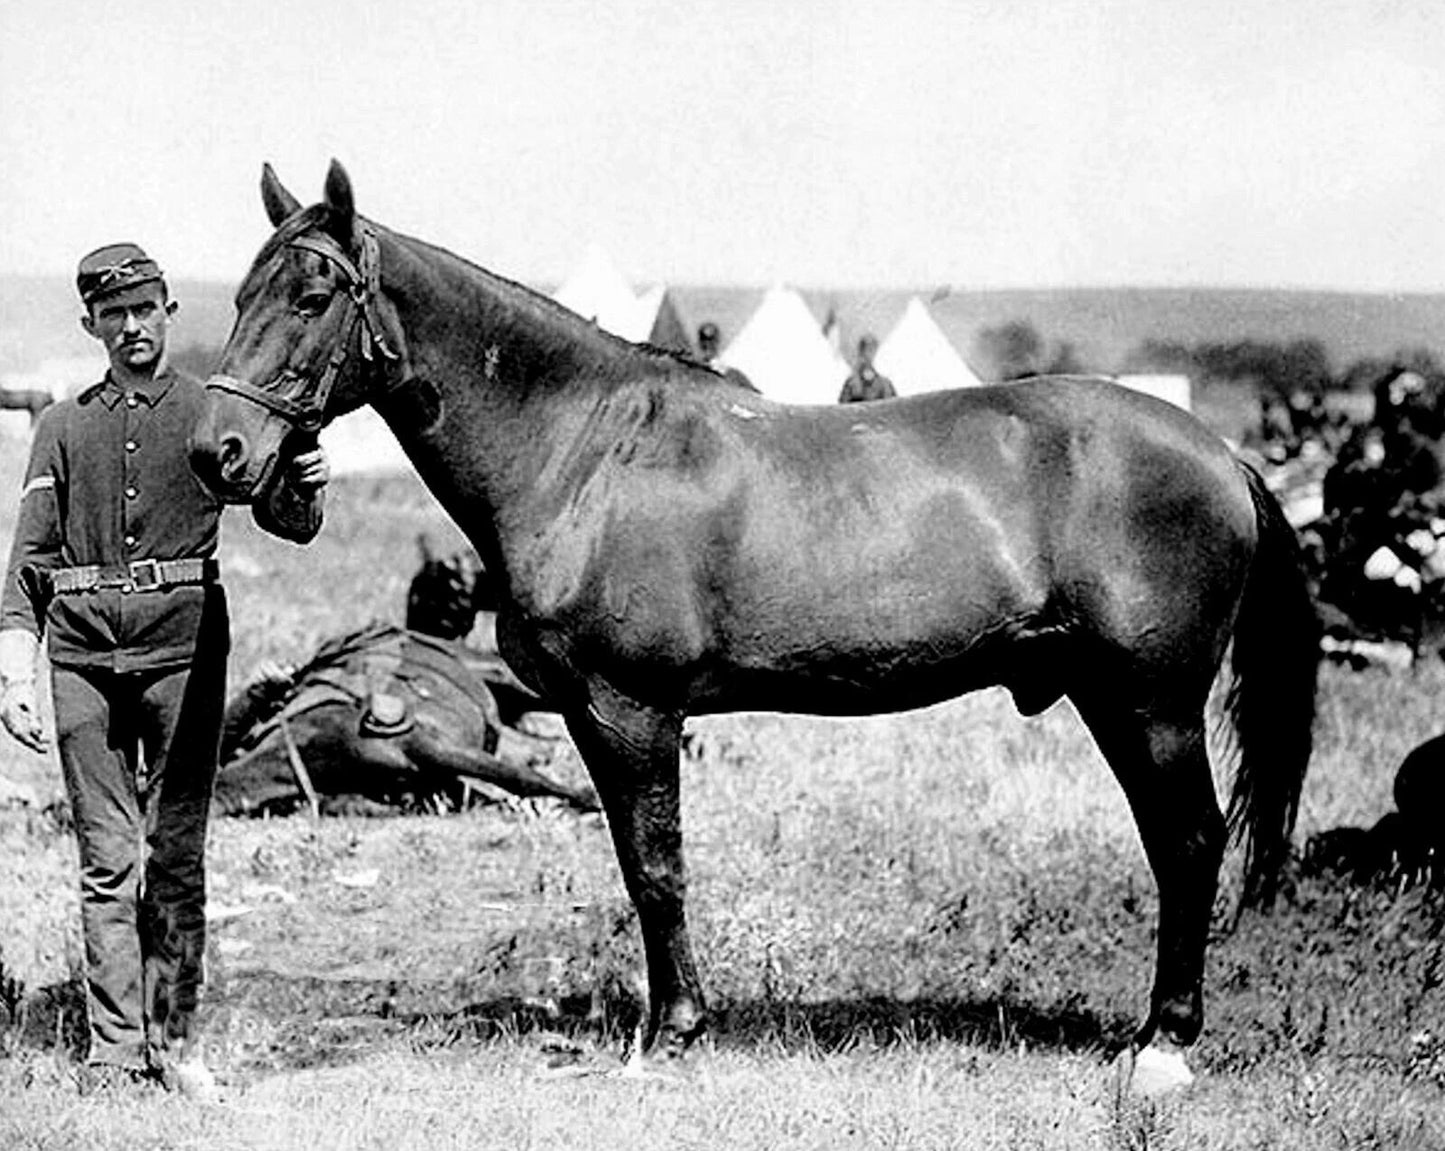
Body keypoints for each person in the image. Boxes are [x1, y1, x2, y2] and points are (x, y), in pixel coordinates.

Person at [0, 243, 331, 1099]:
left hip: (182, 657)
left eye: (146, 309)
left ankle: (173, 1040)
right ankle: (114, 1049)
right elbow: (28, 566)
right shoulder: (62, 425)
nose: (132, 326)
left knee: (174, 855)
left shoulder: (204, 414)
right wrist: (12, 669)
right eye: (114, 314)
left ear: (169, 313)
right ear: (91, 325)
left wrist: (307, 480)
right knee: (106, 860)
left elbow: (288, 520)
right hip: (79, 660)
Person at [837, 334, 896, 403]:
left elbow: (893, 407)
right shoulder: (852, 384)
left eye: (872, 350)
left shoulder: (885, 384)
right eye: (867, 350)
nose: (869, 354)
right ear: (860, 353)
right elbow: (843, 409)